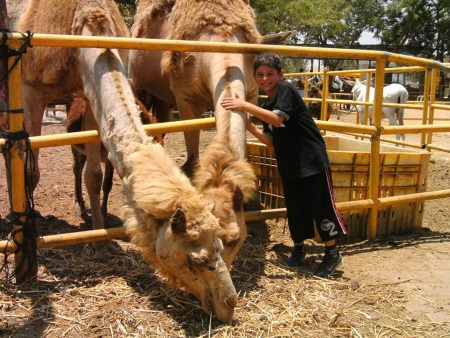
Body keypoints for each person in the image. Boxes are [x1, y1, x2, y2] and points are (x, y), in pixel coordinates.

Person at [221, 52, 347, 278]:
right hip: (290, 164)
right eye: (260, 75)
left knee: (320, 206)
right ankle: (299, 249)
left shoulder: (286, 91)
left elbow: (277, 119)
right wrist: (250, 127)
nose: (265, 79)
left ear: (281, 74)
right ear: (254, 76)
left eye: (270, 74)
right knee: (296, 207)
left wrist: (244, 105)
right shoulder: (269, 101)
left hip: (311, 160)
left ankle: (332, 253)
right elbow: (271, 141)